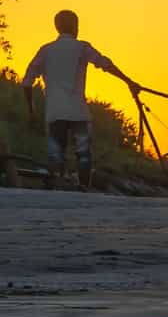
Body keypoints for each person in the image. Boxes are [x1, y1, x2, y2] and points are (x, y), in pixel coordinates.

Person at [20, 10, 140, 190]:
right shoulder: (82, 48)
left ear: (57, 27)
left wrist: (31, 109)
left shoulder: (46, 51)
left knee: (56, 154)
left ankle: (58, 187)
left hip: (55, 112)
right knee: (83, 154)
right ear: (75, 27)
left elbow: (27, 82)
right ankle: (84, 188)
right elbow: (105, 64)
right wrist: (129, 81)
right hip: (79, 111)